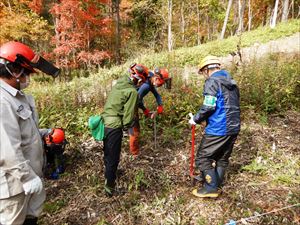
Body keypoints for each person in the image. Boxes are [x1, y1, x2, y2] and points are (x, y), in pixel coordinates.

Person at [0, 41, 60, 224]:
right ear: (14, 70)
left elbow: (22, 131)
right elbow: (6, 148)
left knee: (31, 220)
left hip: (30, 178)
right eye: (26, 73)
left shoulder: (17, 97)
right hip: (14, 185)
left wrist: (43, 133)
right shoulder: (3, 102)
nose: (28, 78)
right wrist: (27, 178)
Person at [188, 55, 240, 198]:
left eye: (203, 72)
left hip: (219, 128)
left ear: (206, 70)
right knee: (222, 158)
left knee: (202, 158)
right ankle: (217, 183)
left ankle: (211, 188)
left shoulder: (212, 81)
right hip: (234, 126)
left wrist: (196, 119)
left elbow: (209, 106)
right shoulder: (232, 82)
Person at [100, 66, 147, 197]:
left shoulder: (118, 85)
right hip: (115, 125)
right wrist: (128, 126)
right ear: (138, 80)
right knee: (113, 157)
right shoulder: (132, 91)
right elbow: (129, 114)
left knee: (108, 152)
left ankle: (109, 175)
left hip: (104, 123)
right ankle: (109, 188)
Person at [128, 63, 170, 156]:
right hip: (130, 104)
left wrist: (160, 105)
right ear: (157, 79)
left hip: (134, 102)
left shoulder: (150, 78)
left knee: (135, 128)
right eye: (161, 83)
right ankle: (134, 153)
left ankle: (134, 146)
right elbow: (137, 100)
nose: (160, 85)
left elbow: (157, 94)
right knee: (134, 129)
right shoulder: (146, 86)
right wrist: (144, 109)